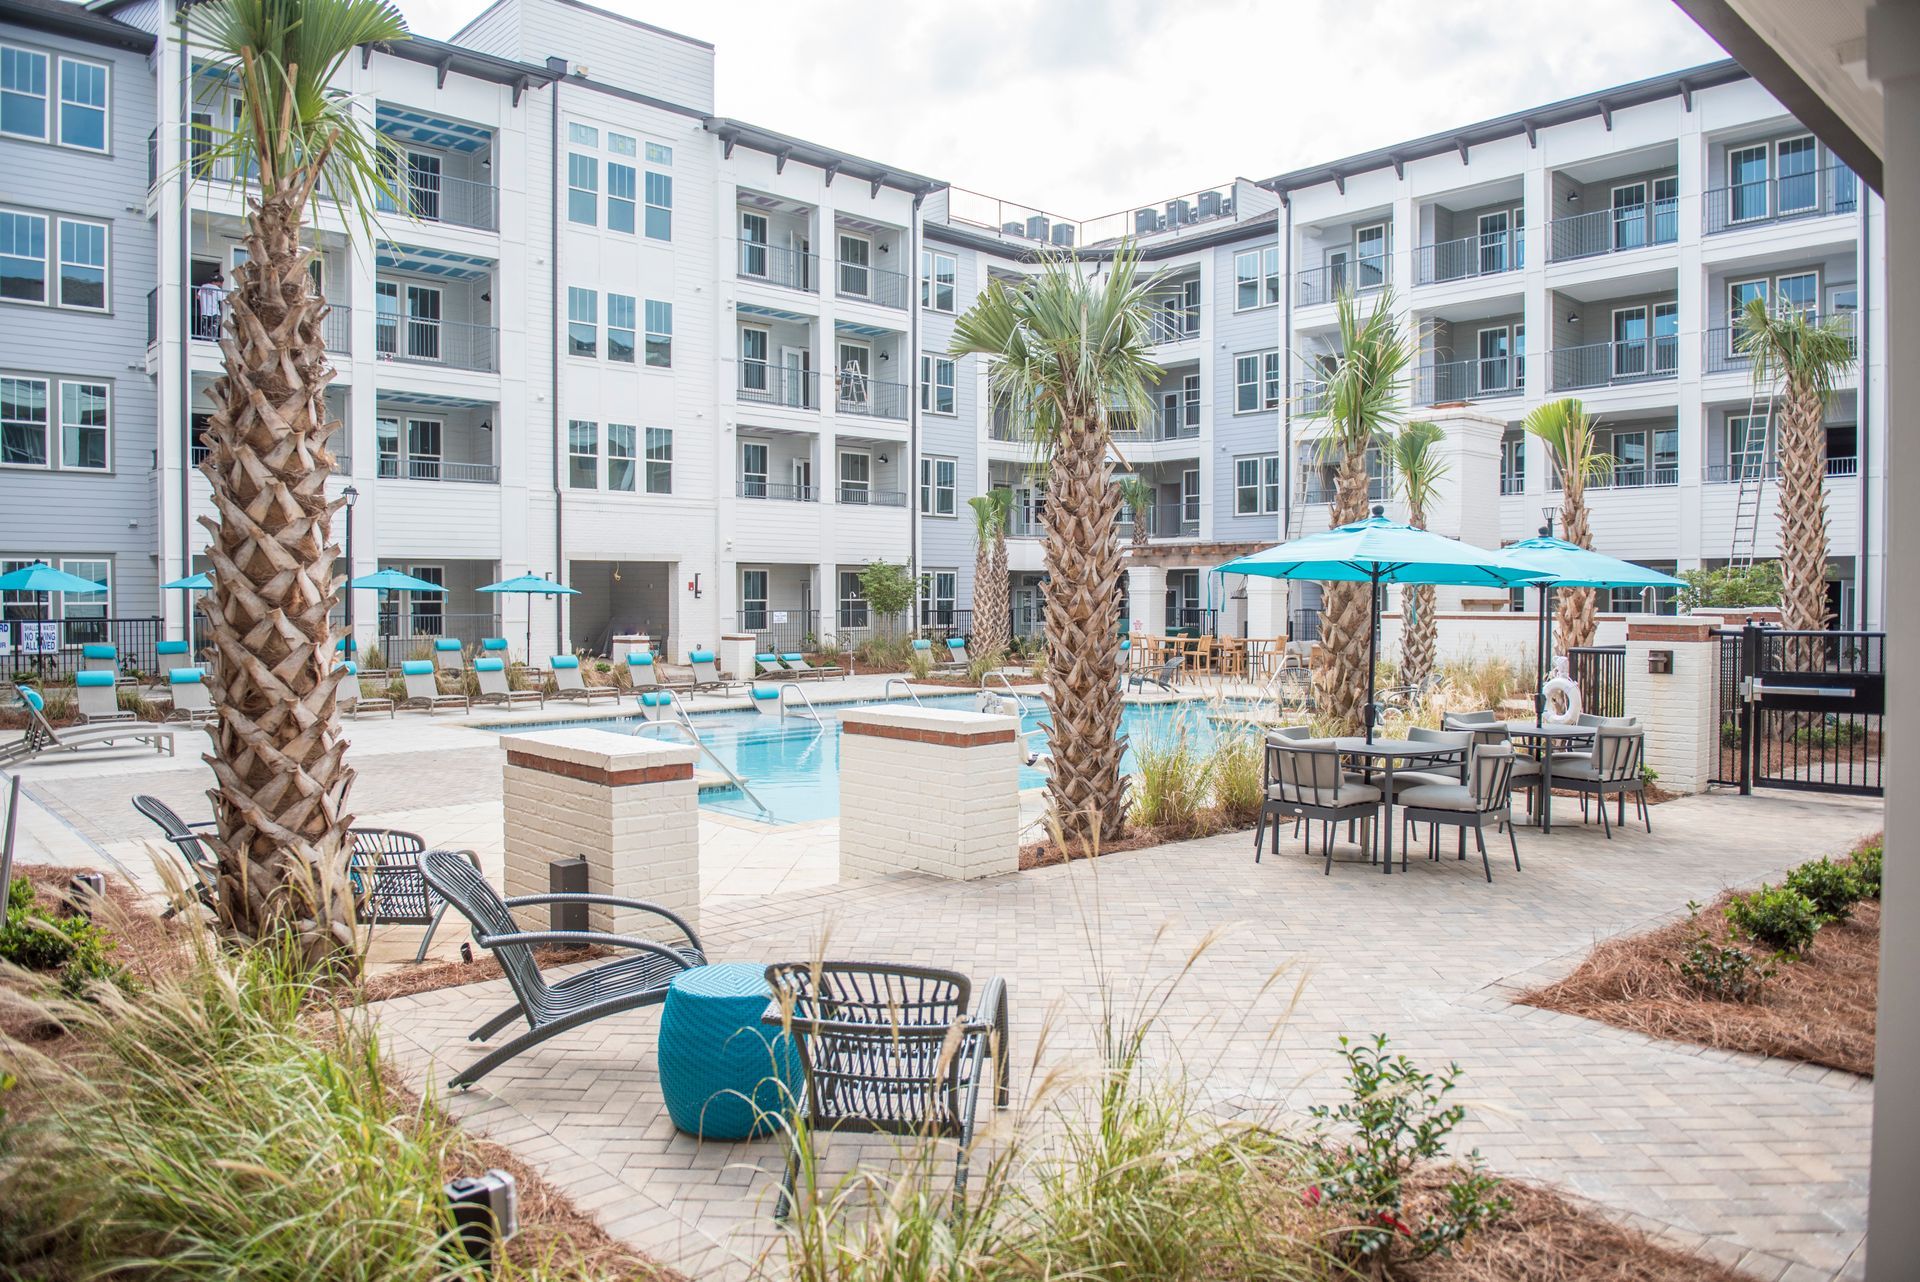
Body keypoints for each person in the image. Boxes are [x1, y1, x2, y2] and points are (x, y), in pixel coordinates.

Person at [194, 272, 226, 340]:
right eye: (221, 283)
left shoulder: (203, 286)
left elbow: (197, 297)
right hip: (214, 313)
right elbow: (224, 299)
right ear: (219, 282)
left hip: (204, 312)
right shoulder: (217, 289)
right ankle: (212, 341)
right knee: (213, 330)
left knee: (205, 329)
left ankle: (204, 341)